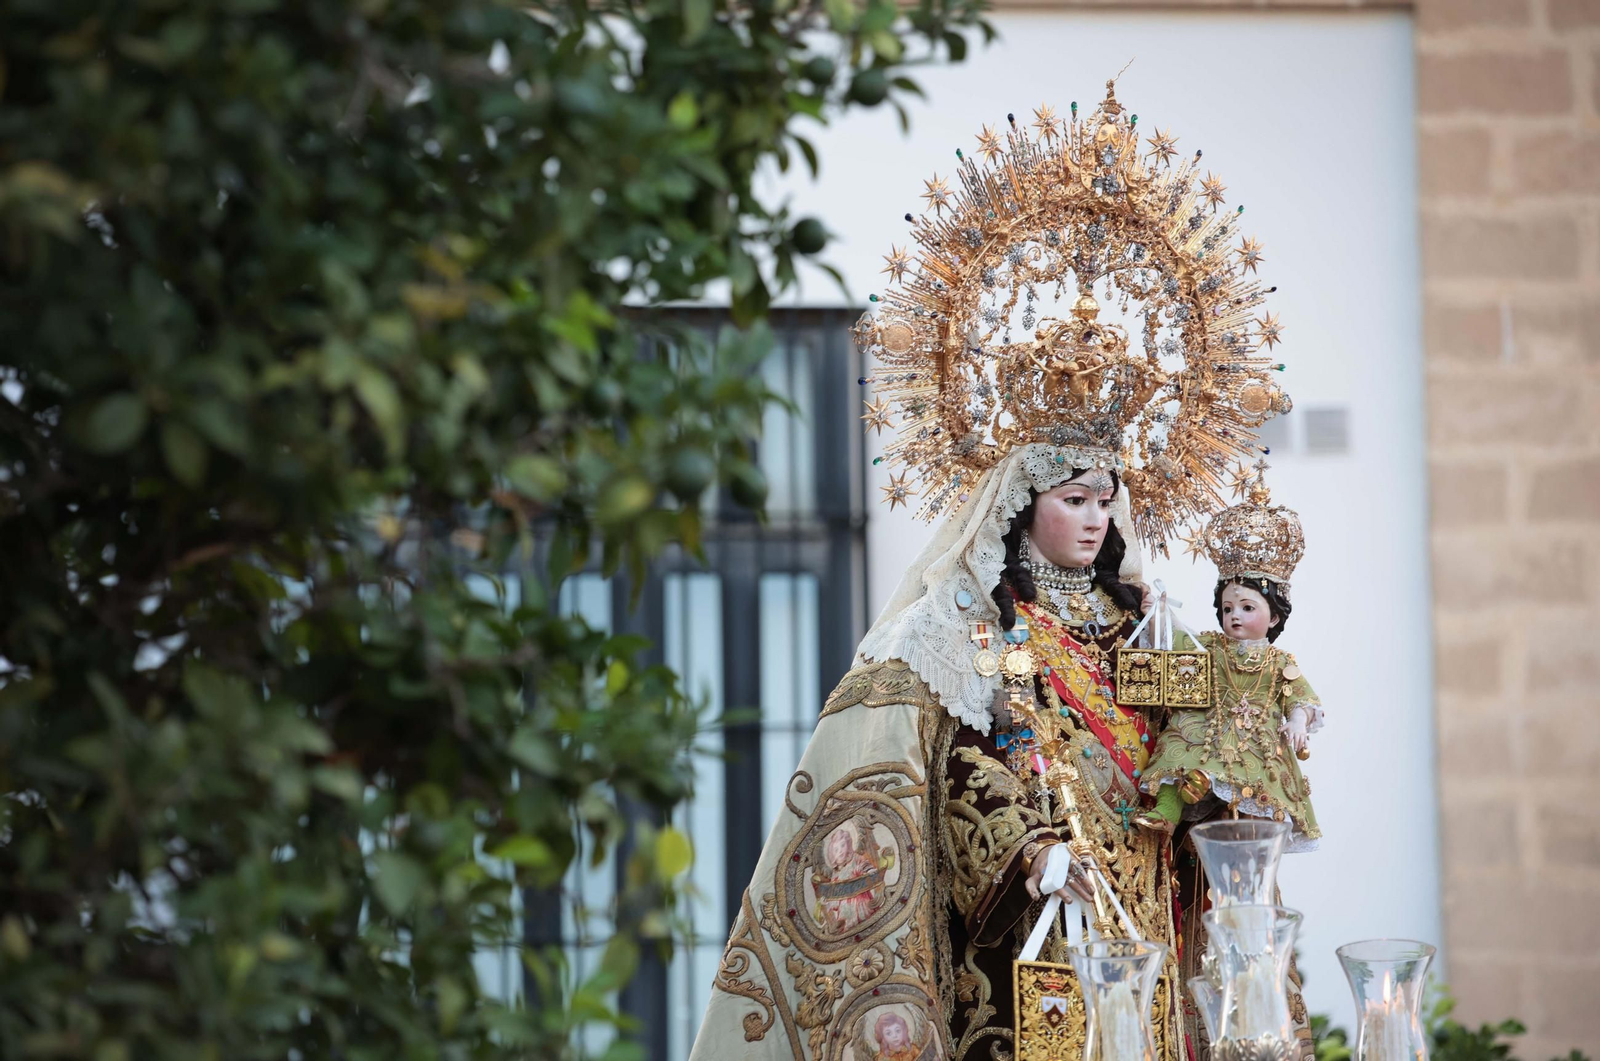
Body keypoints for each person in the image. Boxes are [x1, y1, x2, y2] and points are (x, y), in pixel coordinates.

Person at [689, 84, 1295, 1061]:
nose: (1096, 517)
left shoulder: (1139, 630)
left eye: (1106, 498)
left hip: (1146, 917)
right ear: (1021, 505)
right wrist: (1026, 854)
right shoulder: (963, 627)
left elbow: (1193, 738)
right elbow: (962, 762)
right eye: (1073, 497)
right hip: (1038, 941)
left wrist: (1243, 758)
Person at [1136, 471, 1321, 848]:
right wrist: (1158, 614)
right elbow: (1179, 640)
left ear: (1273, 617)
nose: (1234, 616)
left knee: (1256, 791)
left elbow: (1301, 698)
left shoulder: (1279, 661)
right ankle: (1166, 814)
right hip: (1206, 730)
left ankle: (1245, 837)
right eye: (1227, 607)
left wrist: (1298, 722)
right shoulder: (1211, 646)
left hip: (1256, 741)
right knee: (1178, 746)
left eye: (1247, 607)